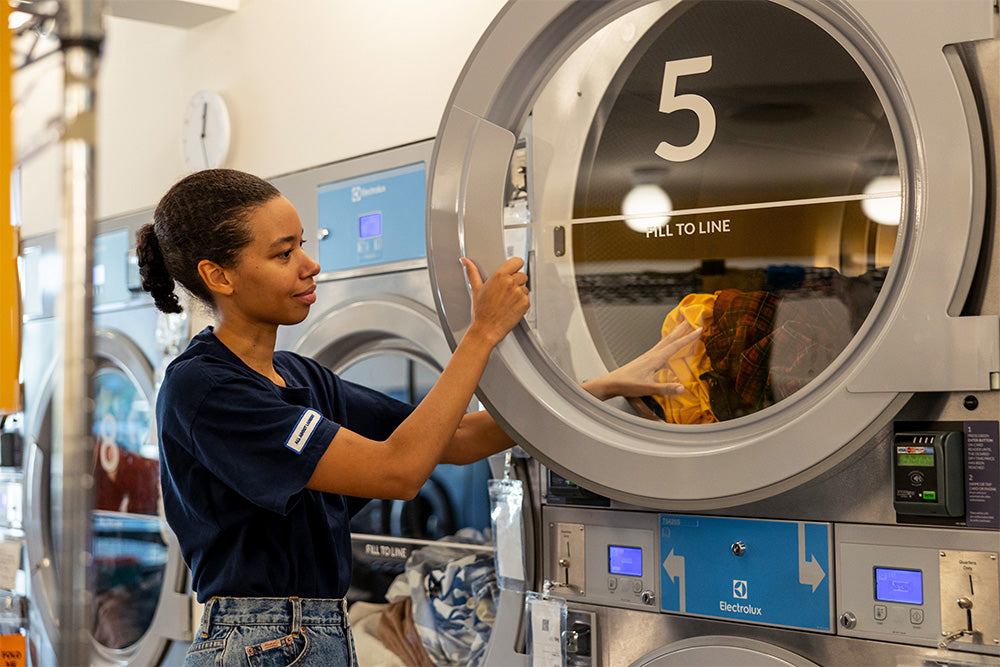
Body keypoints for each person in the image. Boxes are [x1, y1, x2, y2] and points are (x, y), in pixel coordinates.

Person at [137, 168, 700, 666]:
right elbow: (398, 472)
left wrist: (601, 387)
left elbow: (450, 438)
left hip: (313, 633)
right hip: (259, 642)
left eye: (303, 245)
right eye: (283, 254)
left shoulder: (299, 377)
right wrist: (480, 334)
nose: (310, 265)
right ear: (219, 276)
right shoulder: (205, 389)